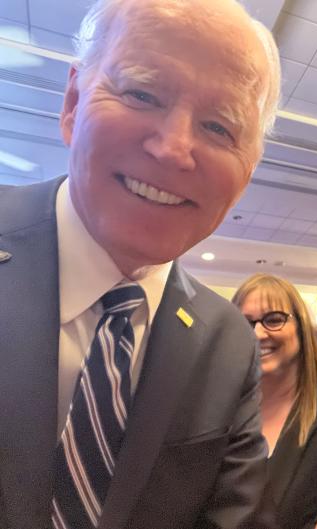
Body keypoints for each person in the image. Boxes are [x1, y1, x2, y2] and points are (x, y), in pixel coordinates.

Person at [0, 0, 281, 527]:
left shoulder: (227, 341)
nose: (175, 149)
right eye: (142, 94)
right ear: (72, 101)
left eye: (220, 127)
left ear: (248, 171)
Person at [232, 274, 317, 529]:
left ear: (302, 328)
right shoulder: (222, 417)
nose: (258, 333)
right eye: (244, 323)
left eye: (274, 320)